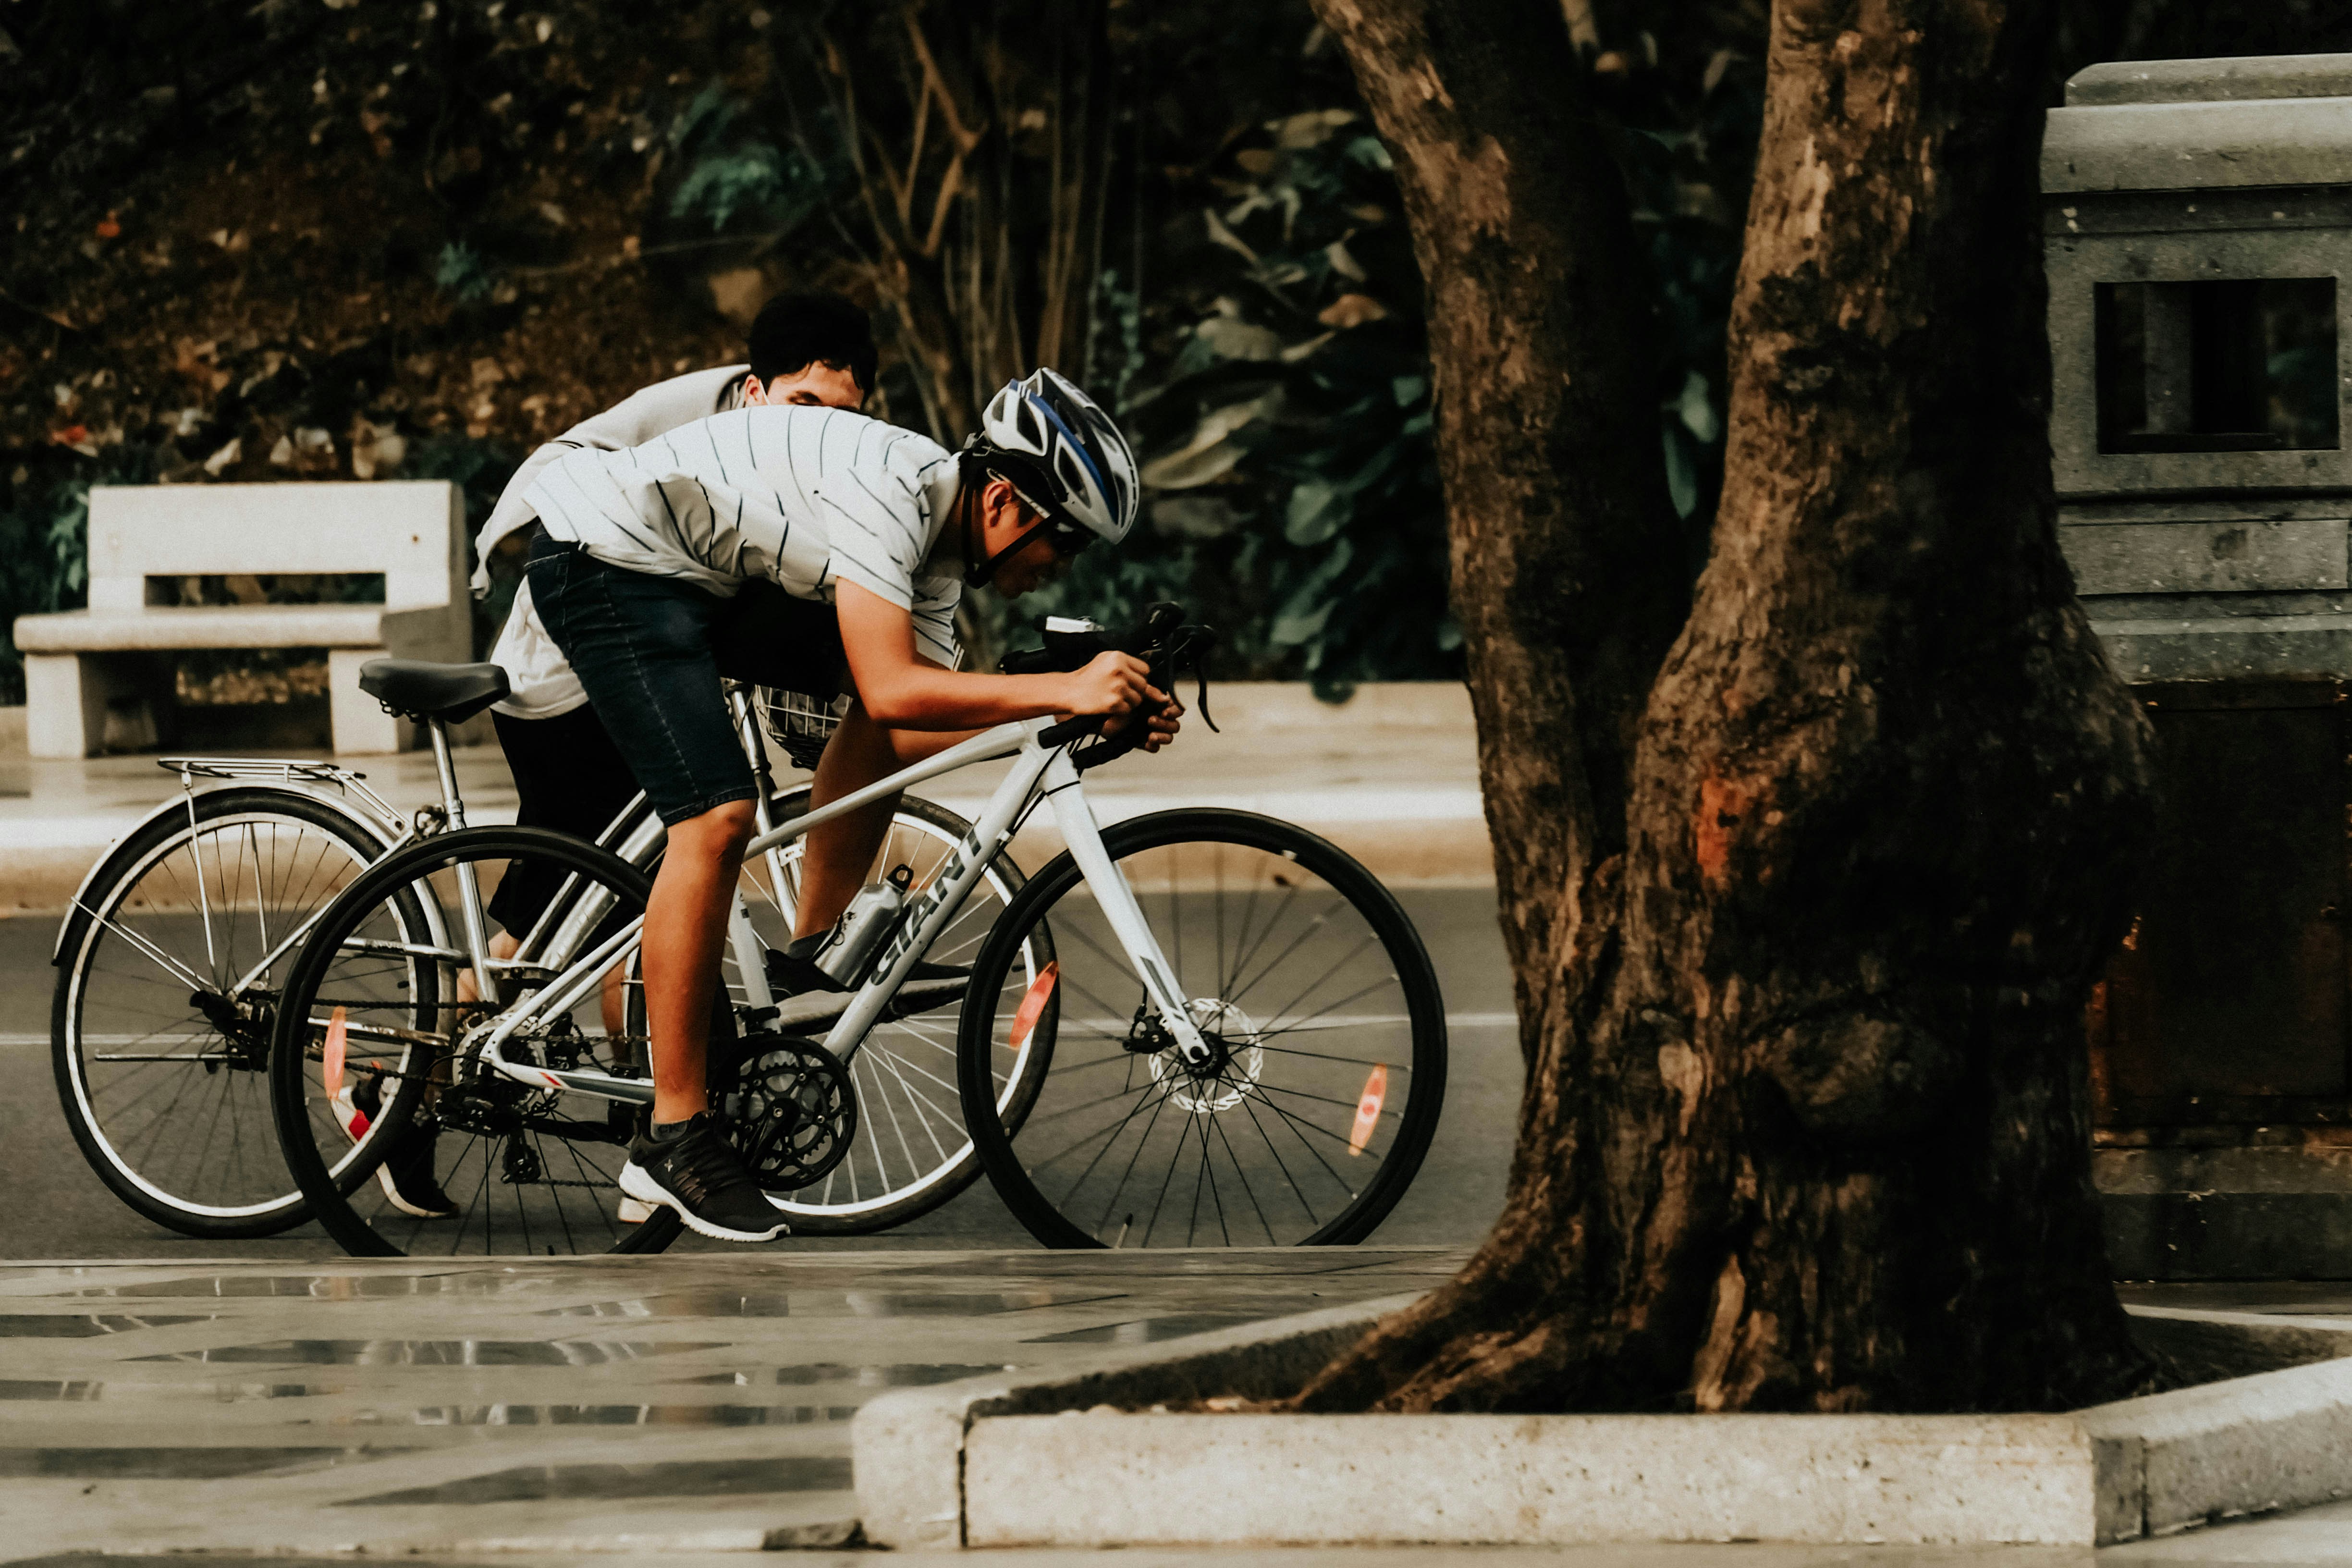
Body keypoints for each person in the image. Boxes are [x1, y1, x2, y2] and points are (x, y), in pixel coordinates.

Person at [522, 368, 1177, 1241]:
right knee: (715, 821)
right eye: (1066, 545)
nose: (1061, 570)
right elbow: (898, 689)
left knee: (874, 724)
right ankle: (671, 1140)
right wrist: (1063, 691)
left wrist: (1083, 719)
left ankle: (804, 963)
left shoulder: (938, 563)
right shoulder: (896, 489)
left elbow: (902, 730)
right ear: (1006, 506)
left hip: (689, 579)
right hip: (603, 561)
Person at [333, 294, 880, 1223]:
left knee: (540, 927)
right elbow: (571, 497)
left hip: (644, 663)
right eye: (804, 405)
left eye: (847, 416)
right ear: (755, 390)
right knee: (639, 900)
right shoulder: (696, 424)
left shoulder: (801, 442)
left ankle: (400, 1104)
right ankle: (659, 1146)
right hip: (571, 672)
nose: (824, 433)